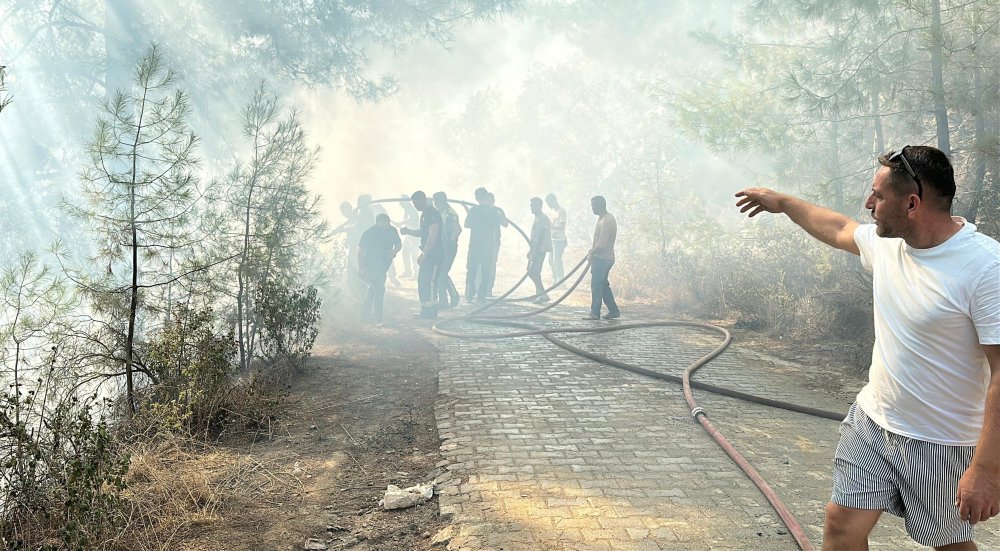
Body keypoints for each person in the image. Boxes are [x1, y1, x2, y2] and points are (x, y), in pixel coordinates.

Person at [735, 145, 1000, 551]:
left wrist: (986, 469)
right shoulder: (889, 244)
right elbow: (839, 227)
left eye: (878, 195)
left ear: (912, 204)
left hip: (943, 441)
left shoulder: (985, 268)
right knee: (841, 525)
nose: (868, 203)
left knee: (949, 545)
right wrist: (784, 203)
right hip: (872, 422)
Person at [400, 191, 444, 319]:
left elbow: (433, 234)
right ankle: (425, 309)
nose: (415, 205)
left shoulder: (432, 213)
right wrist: (408, 231)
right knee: (422, 281)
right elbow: (423, 232)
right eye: (413, 203)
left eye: (417, 202)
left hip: (434, 254)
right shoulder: (425, 214)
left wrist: (424, 253)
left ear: (424, 199)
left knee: (430, 282)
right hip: (428, 253)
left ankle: (432, 311)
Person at [357, 213, 401, 326]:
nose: (385, 226)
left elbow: (398, 243)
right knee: (380, 290)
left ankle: (364, 317)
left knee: (372, 291)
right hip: (369, 266)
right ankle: (378, 319)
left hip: (383, 267)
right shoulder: (368, 233)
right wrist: (361, 268)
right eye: (383, 224)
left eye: (387, 223)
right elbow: (360, 252)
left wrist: (394, 251)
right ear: (377, 223)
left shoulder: (392, 230)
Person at [584, 196, 620, 320]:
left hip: (603, 259)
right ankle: (613, 311)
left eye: (593, 206)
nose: (592, 208)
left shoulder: (607, 220)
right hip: (601, 258)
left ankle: (595, 312)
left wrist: (592, 252)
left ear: (600, 205)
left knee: (596, 285)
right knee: (603, 284)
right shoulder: (602, 219)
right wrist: (593, 253)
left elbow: (602, 244)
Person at [464, 187, 502, 303]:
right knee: (486, 271)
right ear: (486, 197)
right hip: (488, 247)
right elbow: (497, 225)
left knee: (471, 270)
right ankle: (481, 296)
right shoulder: (494, 212)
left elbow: (467, 224)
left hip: (475, 245)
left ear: (476, 198)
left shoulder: (474, 210)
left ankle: (470, 293)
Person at [433, 191, 461, 309]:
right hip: (441, 247)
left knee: (441, 274)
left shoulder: (450, 213)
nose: (435, 204)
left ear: (441, 202)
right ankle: (448, 299)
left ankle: (450, 298)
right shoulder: (440, 212)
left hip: (448, 247)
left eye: (436, 202)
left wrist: (451, 241)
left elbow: (458, 229)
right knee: (441, 273)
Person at [527, 197, 552, 302]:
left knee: (533, 272)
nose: (531, 207)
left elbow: (541, 235)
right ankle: (540, 293)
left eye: (534, 205)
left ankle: (542, 294)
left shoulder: (542, 218)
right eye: (531, 205)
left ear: (539, 206)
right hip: (536, 248)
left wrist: (534, 250)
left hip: (539, 249)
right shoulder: (537, 217)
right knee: (532, 272)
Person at [484, 191, 508, 297]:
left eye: (490, 200)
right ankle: (479, 288)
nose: (489, 202)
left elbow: (505, 224)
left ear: (493, 201)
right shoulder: (481, 209)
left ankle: (488, 288)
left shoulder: (498, 211)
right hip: (482, 242)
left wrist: (500, 217)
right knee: (481, 264)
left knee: (491, 265)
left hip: (494, 242)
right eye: (487, 200)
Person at [546, 193, 568, 283]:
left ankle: (560, 280)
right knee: (550, 260)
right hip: (552, 239)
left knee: (557, 259)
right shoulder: (553, 212)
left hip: (560, 240)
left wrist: (551, 227)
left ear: (554, 201)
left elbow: (562, 226)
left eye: (549, 203)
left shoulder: (561, 211)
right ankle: (555, 278)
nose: (548, 205)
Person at [398, 194, 420, 278]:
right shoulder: (407, 209)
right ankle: (408, 271)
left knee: (414, 254)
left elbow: (413, 218)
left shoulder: (410, 208)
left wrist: (402, 222)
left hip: (414, 234)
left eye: (401, 201)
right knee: (405, 252)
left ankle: (416, 273)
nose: (400, 203)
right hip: (409, 234)